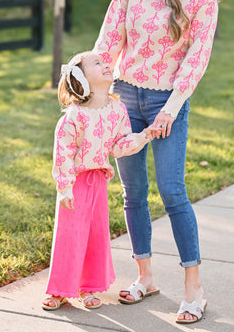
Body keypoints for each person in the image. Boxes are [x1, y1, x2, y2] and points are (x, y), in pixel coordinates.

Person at [93, 0, 218, 324]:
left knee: (172, 190)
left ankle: (193, 289)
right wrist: (93, 92)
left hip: (169, 100)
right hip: (125, 95)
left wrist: (170, 107)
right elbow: (109, 38)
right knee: (133, 190)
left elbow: (196, 59)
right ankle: (144, 276)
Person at [42, 51, 158, 311]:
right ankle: (60, 289)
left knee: (96, 235)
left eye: (106, 63)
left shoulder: (117, 110)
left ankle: (90, 287)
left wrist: (142, 137)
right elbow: (63, 154)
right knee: (70, 236)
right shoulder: (74, 117)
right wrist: (65, 187)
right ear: (82, 78)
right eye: (97, 63)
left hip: (99, 180)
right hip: (76, 182)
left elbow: (118, 146)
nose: (106, 64)